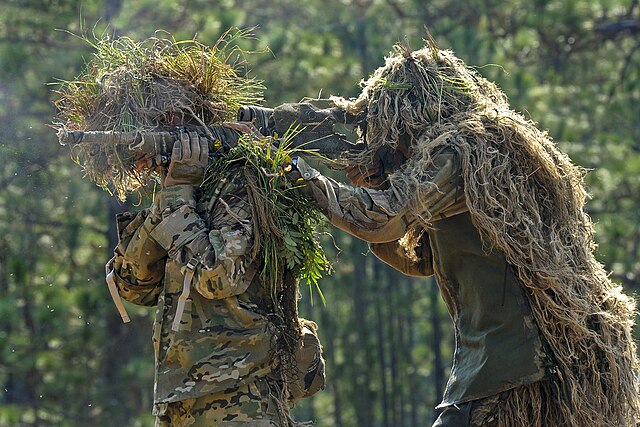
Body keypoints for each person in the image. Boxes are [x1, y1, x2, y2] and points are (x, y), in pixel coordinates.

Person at [287, 40, 640, 426]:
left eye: (387, 133)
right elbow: (422, 260)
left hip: (523, 370)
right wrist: (371, 189)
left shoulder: (462, 151)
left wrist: (298, 175)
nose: (386, 147)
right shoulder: (485, 148)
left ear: (410, 117)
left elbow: (383, 219)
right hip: (537, 364)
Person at [107, 129, 325, 427]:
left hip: (238, 396)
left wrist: (177, 198)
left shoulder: (240, 183)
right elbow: (131, 287)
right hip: (179, 400)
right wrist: (171, 195)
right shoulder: (182, 192)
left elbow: (218, 276)